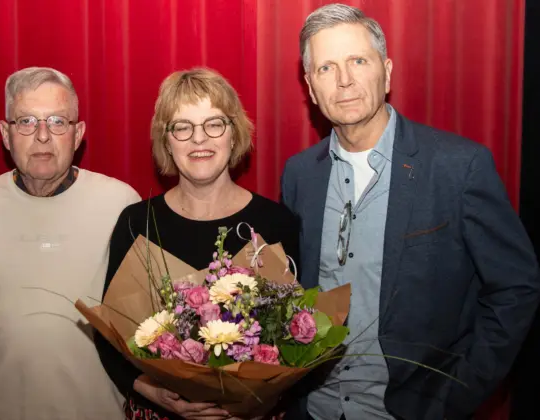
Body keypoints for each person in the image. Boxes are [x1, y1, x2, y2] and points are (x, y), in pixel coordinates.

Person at [280, 4, 540, 420]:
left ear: (386, 73)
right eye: (326, 68)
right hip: (315, 408)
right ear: (311, 87)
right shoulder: (299, 175)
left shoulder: (459, 167)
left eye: (358, 61)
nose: (344, 80)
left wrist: (457, 393)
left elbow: (515, 288)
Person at [0, 67, 140, 420]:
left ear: (78, 134)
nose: (42, 136)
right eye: (26, 122)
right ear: (6, 134)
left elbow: (147, 331)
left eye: (57, 122)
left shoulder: (121, 205)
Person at [95, 67, 300, 420]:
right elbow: (110, 337)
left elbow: (300, 337)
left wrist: (259, 402)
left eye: (214, 124)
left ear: (234, 135)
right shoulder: (137, 223)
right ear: (167, 141)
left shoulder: (275, 222)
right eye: (182, 127)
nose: (199, 139)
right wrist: (154, 392)